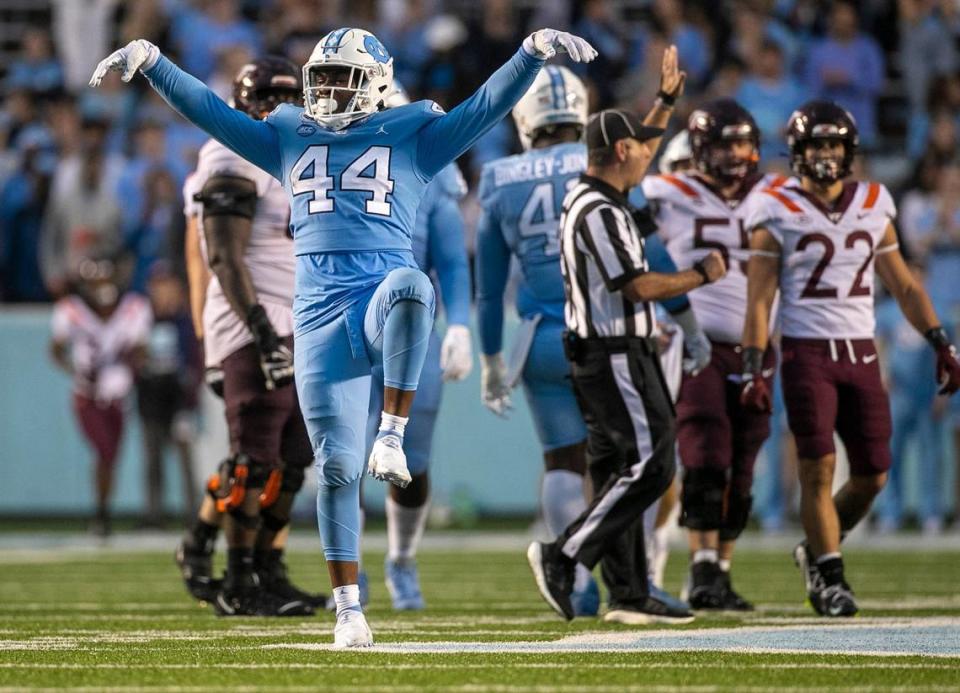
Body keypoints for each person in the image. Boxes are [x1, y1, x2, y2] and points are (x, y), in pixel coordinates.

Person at [91, 25, 597, 647]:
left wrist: (527, 55)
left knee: (412, 284)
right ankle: (349, 610)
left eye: (341, 77)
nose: (327, 89)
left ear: (377, 84)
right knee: (334, 469)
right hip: (316, 319)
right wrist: (153, 62)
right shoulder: (285, 134)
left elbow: (485, 107)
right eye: (321, 78)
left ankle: (391, 432)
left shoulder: (412, 132)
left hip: (378, 303)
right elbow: (212, 113)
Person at [476, 61, 707, 617]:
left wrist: (489, 358)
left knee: (569, 463)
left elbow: (489, 289)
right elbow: (650, 252)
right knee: (641, 461)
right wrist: (689, 318)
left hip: (542, 339)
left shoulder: (501, 177)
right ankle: (579, 566)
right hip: (611, 334)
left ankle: (588, 592)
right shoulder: (600, 168)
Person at [527, 48, 728, 626]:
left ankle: (630, 590)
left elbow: (641, 140)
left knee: (621, 472)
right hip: (614, 353)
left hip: (605, 353)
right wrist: (700, 276)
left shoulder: (599, 195)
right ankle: (563, 555)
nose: (649, 156)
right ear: (620, 152)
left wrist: (664, 102)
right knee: (653, 466)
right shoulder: (600, 210)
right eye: (641, 149)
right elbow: (637, 287)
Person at [740, 101, 960, 617]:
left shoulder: (873, 201)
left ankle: (816, 547)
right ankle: (831, 575)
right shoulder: (773, 207)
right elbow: (759, 299)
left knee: (874, 474)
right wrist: (753, 364)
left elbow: (904, 284)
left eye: (833, 144)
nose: (825, 154)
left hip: (861, 352)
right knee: (818, 467)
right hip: (805, 351)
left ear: (849, 151)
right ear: (797, 151)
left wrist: (940, 341)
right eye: (816, 144)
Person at [175, 56, 321, 618]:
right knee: (253, 455)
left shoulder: (296, 155)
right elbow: (220, 255)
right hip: (250, 318)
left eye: (288, 101)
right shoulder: (230, 151)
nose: (277, 112)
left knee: (294, 456)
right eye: (267, 101)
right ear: (243, 105)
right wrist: (259, 332)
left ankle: (267, 569)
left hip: (299, 316)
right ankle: (238, 578)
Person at [640, 99, 791, 611]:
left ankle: (720, 569)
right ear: (700, 148)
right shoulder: (668, 190)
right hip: (696, 339)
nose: (735, 154)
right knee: (705, 448)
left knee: (745, 460)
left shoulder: (775, 193)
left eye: (743, 143)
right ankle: (700, 564)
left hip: (757, 344)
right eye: (725, 143)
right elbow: (620, 205)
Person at [364, 86, 474, 612]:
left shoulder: (430, 169)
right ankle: (348, 564)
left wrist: (460, 325)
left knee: (412, 458)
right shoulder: (326, 160)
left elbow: (451, 258)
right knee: (338, 456)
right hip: (342, 320)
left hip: (412, 330)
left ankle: (401, 558)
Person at [49, 255, 152, 536]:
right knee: (105, 452)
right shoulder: (71, 311)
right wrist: (75, 369)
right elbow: (56, 349)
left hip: (118, 394)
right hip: (87, 395)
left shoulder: (134, 308)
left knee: (110, 456)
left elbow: (142, 350)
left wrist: (133, 360)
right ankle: (101, 515)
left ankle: (102, 514)